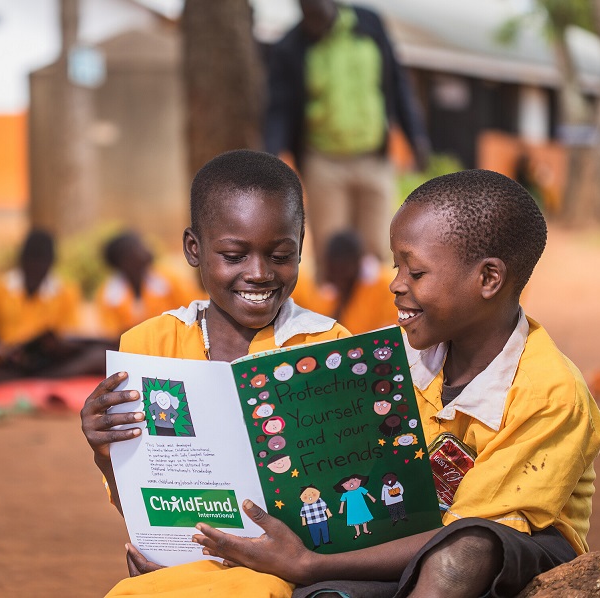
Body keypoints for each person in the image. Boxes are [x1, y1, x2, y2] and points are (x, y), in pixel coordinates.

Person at [183, 169, 600, 598]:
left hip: (516, 549)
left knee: (460, 552)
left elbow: (469, 529)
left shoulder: (549, 392)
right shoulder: (397, 361)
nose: (396, 284)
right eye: (396, 265)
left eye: (417, 272)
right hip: (403, 536)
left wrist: (310, 564)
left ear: (488, 279)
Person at [80, 149, 350, 597]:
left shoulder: (328, 347)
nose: (259, 274)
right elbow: (143, 506)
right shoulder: (149, 348)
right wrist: (103, 452)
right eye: (234, 255)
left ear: (302, 243)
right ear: (194, 248)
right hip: (182, 568)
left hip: (286, 572)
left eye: (281, 254)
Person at [265, 0, 430, 272]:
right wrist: (271, 159)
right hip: (323, 162)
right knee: (332, 253)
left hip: (373, 158)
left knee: (380, 249)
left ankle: (378, 311)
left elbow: (397, 82)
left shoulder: (369, 24)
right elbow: (279, 111)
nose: (312, 17)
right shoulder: (290, 47)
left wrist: (417, 137)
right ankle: (334, 313)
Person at [0, 229, 105, 378]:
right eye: (31, 260)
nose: (35, 266)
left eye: (42, 261)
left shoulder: (66, 291)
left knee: (98, 356)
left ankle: (35, 378)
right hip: (7, 360)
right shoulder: (1, 287)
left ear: (51, 262)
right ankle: (21, 377)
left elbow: (68, 337)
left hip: (48, 363)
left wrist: (54, 345)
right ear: (21, 260)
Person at [96, 231, 203, 340]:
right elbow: (113, 335)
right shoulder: (108, 295)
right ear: (124, 261)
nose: (146, 249)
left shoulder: (169, 280)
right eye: (138, 247)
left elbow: (194, 309)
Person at [292, 230, 396, 334]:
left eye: (342, 270)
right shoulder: (331, 293)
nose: (336, 277)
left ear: (357, 263)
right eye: (332, 271)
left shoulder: (385, 285)